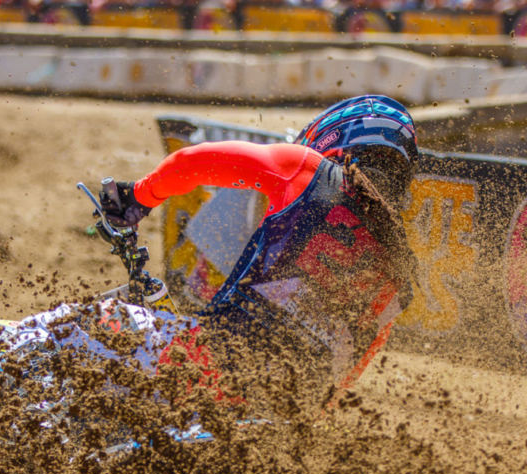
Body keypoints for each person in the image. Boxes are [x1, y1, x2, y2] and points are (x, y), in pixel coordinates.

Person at [99, 95, 419, 395]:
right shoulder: (400, 272)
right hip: (273, 419)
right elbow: (343, 377)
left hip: (193, 374)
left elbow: (191, 162)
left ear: (336, 136)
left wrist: (138, 196)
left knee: (89, 321)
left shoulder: (310, 170)